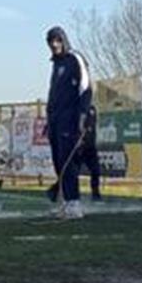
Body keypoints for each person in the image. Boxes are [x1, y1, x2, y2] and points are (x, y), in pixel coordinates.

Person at [44, 26, 92, 219]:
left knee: (67, 162)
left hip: (70, 120)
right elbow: (55, 94)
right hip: (55, 120)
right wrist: (49, 119)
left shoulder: (75, 59)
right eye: (50, 41)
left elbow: (86, 89)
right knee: (57, 162)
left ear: (63, 40)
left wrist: (82, 118)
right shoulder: (56, 64)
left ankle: (74, 203)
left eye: (57, 40)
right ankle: (65, 202)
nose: (54, 44)